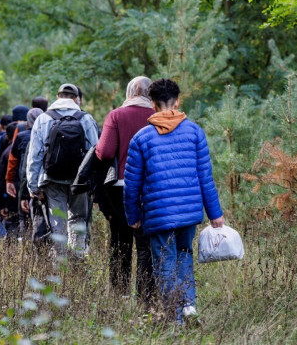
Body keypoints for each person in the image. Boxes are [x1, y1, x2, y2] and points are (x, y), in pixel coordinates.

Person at [123, 78, 225, 323]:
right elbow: (205, 177)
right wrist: (215, 214)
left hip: (159, 216)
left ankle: (174, 317)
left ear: (153, 105)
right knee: (184, 256)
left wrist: (133, 217)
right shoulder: (194, 132)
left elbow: (131, 185)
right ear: (178, 101)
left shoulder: (141, 138)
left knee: (165, 264)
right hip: (189, 213)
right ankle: (188, 306)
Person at [96, 76, 155, 300]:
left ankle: (119, 292)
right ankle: (146, 296)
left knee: (119, 241)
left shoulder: (116, 115)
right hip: (150, 188)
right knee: (145, 243)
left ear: (130, 92)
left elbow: (106, 152)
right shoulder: (157, 116)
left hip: (119, 187)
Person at [26, 83, 99, 257]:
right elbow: (95, 151)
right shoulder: (86, 118)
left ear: (57, 97)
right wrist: (93, 183)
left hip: (52, 178)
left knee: (58, 221)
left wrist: (33, 186)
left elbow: (35, 155)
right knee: (78, 219)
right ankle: (78, 258)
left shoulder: (43, 119)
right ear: (76, 99)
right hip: (79, 180)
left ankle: (59, 262)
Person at [7, 108, 44, 237]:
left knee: (24, 218)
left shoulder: (21, 136)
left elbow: (14, 161)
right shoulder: (48, 134)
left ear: (28, 122)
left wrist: (9, 180)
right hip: (45, 183)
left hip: (24, 183)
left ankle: (25, 246)